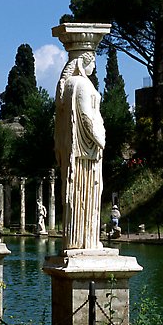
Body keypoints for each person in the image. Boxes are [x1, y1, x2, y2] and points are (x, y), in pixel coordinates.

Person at [55, 50, 105, 250]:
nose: (94, 67)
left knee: (76, 196)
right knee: (86, 195)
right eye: (93, 62)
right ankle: (85, 241)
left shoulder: (67, 84)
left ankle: (77, 238)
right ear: (85, 62)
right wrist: (101, 139)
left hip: (74, 152)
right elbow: (86, 116)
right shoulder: (82, 84)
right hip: (86, 153)